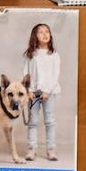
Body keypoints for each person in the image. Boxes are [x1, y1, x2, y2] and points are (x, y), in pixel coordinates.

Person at [22, 23, 61, 161]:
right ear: (35, 36)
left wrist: (47, 91)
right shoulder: (30, 54)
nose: (45, 34)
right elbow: (26, 73)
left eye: (47, 31)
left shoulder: (54, 55)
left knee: (49, 121)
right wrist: (28, 91)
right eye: (41, 32)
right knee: (32, 121)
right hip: (33, 93)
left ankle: (51, 150)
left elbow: (55, 76)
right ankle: (32, 149)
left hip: (48, 93)